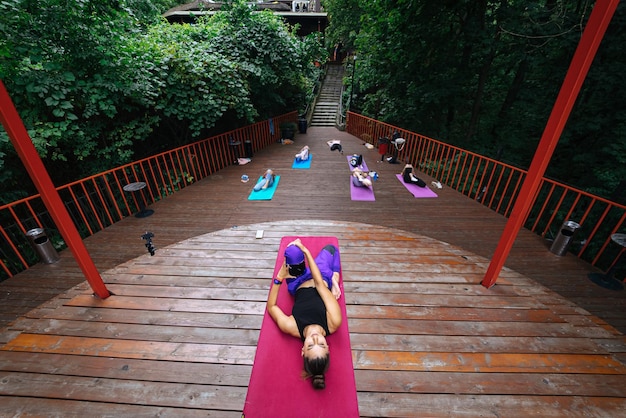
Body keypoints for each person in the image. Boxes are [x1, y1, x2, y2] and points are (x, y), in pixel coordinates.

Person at [266, 239, 342, 390]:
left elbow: (271, 306)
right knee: (331, 249)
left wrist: (280, 277)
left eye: (310, 345)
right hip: (321, 275)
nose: (315, 339)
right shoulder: (333, 322)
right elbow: (319, 284)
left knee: (293, 250)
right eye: (320, 343)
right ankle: (335, 277)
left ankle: (335, 278)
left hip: (297, 281)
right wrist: (306, 252)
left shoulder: (292, 326)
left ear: (302, 350)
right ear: (328, 346)